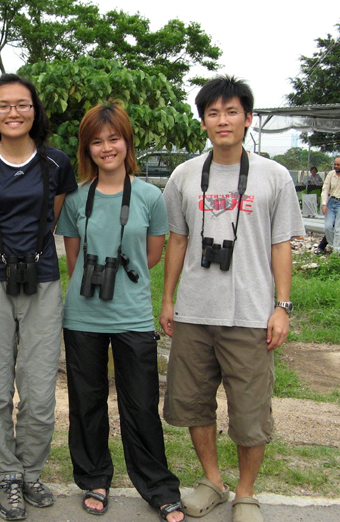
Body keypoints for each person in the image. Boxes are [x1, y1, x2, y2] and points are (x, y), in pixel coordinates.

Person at [159, 75, 304, 522]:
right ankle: (212, 482)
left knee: (250, 410)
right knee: (193, 401)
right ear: (203, 122)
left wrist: (282, 306)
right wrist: (168, 300)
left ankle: (245, 493)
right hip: (194, 311)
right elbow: (178, 239)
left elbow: (281, 244)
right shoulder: (184, 175)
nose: (222, 120)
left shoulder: (274, 176)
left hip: (251, 313)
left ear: (248, 119)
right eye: (213, 113)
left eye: (231, 112)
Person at [56, 102, 184, 522]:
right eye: (97, 141)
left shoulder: (150, 196)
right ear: (86, 148)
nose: (106, 148)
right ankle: (94, 478)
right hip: (83, 317)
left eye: (114, 139)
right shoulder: (76, 198)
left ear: (127, 142)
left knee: (141, 404)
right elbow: (74, 261)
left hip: (132, 316)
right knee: (86, 402)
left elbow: (151, 256)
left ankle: (157, 486)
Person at [0, 74, 77, 521]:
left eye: (22, 104)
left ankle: (30, 470)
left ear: (35, 110)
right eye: (3, 105)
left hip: (42, 280)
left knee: (39, 388)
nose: (13, 112)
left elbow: (52, 219)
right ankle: (5, 476)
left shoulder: (56, 162)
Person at [321, 157, 340, 254]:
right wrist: (324, 204)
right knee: (328, 227)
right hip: (331, 201)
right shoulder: (331, 174)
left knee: (338, 229)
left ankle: (336, 251)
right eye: (335, 164)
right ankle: (333, 245)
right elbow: (325, 189)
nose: (336, 166)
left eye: (338, 165)